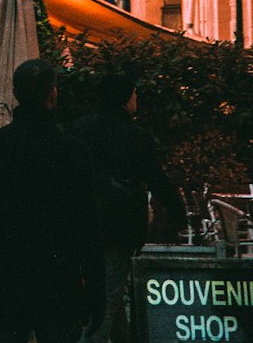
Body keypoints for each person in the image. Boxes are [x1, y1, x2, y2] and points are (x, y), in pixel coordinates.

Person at [0, 58, 104, 343]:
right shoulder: (72, 151)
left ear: (15, 93)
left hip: (5, 278)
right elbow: (88, 225)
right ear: (53, 94)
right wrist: (95, 290)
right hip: (59, 281)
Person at [72, 72, 185, 343]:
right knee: (108, 299)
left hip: (82, 226)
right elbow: (156, 179)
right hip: (119, 229)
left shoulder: (79, 129)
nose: (137, 100)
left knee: (109, 297)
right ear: (125, 99)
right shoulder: (136, 136)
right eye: (134, 95)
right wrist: (179, 214)